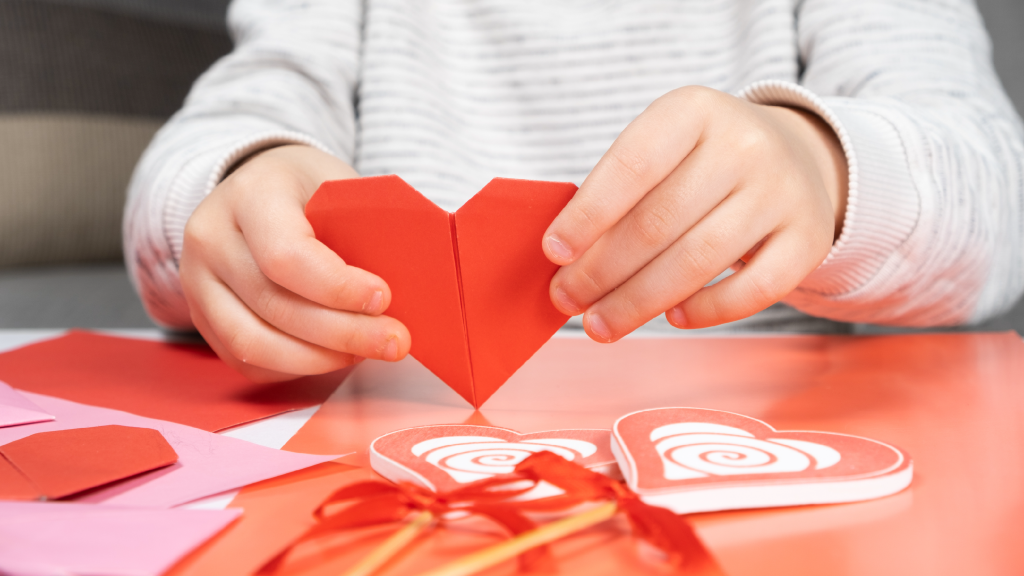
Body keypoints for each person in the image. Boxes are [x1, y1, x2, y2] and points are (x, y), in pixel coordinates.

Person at [125, 0, 1024, 383]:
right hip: (380, 443)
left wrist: (826, 166)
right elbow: (226, 130)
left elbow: (998, 205)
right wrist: (232, 188)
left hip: (771, 449)